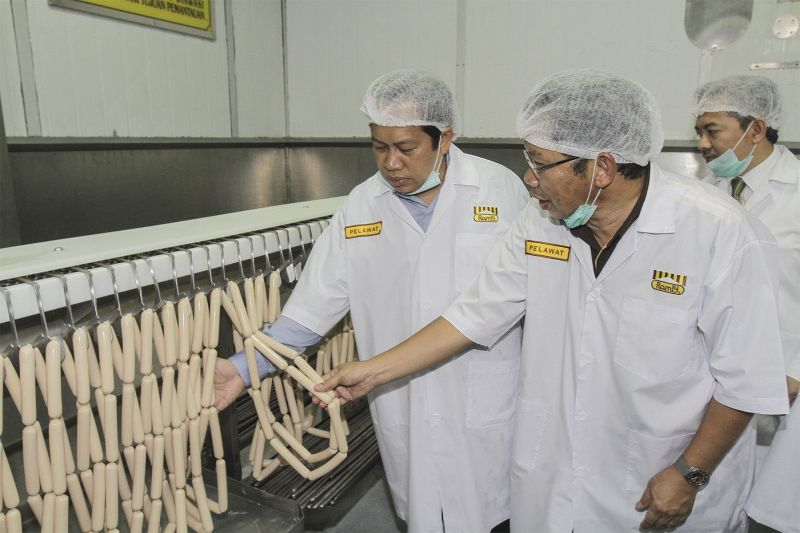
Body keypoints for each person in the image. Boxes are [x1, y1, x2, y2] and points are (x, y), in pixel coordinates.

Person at [314, 69, 790, 532]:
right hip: (552, 480)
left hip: (658, 480)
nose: (528, 177)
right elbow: (472, 314)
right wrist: (371, 371)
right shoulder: (541, 224)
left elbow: (746, 380)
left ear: (601, 167)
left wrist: (690, 472)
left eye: (540, 163)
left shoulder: (718, 233)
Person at [214, 69, 530, 532]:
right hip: (400, 398)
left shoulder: (500, 190)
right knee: (421, 515)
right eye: (379, 147)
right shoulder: (363, 206)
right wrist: (244, 368)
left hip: (485, 395)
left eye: (405, 148)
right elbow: (313, 306)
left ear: (444, 138)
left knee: (495, 515)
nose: (391, 163)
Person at [693, 75, 800, 532]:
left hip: (789, 388)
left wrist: (794, 370)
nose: (702, 143)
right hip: (723, 386)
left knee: (772, 516)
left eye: (712, 130)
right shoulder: (707, 200)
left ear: (755, 129)